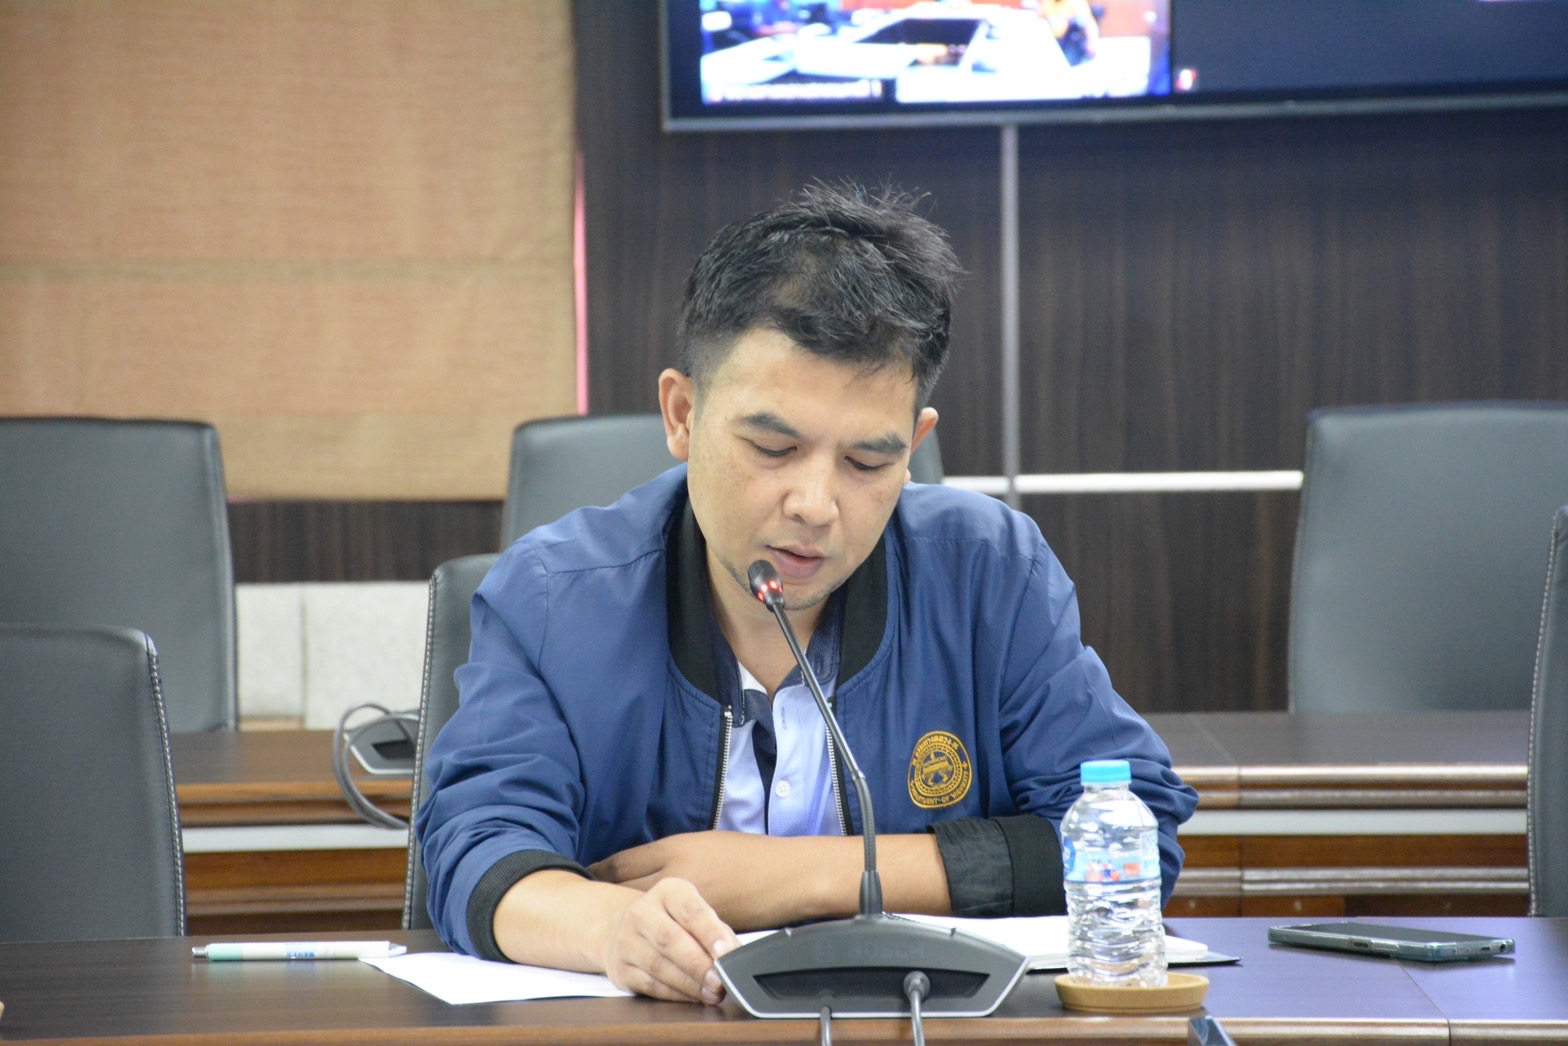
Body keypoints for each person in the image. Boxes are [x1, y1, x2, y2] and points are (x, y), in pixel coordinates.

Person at [416, 183, 1198, 1007]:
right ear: (682, 414)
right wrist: (615, 930)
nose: (816, 506)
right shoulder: (552, 599)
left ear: (915, 446)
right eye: (773, 447)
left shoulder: (989, 573)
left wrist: (793, 878)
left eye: (866, 463)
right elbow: (476, 852)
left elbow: (1131, 833)